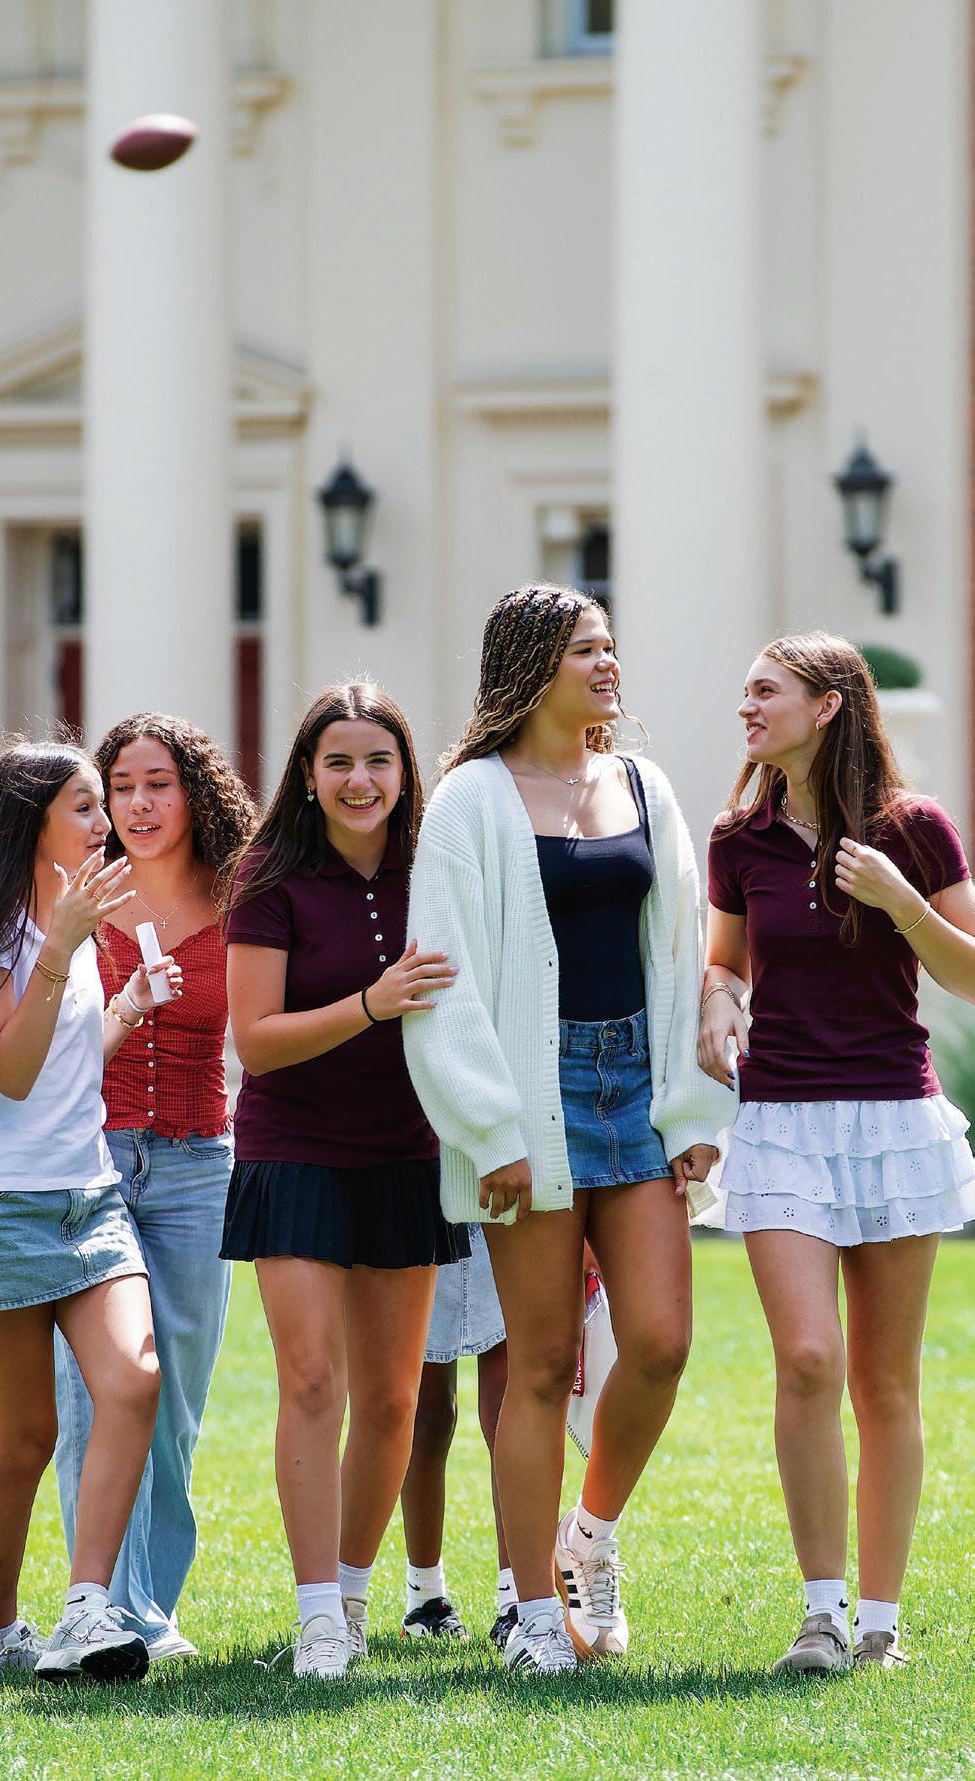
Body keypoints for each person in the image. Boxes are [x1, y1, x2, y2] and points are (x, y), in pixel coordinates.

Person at [405, 585, 734, 1676]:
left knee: (659, 1341)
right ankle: (537, 1620)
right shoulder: (468, 801)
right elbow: (442, 978)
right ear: (531, 664)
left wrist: (692, 1109)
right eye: (585, 649)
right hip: (528, 1099)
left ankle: (585, 1537)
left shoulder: (643, 786)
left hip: (635, 1092)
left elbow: (680, 950)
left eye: (609, 647)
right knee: (539, 1364)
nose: (607, 665)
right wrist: (487, 1127)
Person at [700, 632, 975, 1674]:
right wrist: (716, 1003)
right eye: (745, 690)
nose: (746, 707)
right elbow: (725, 962)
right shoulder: (738, 839)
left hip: (894, 1121)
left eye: (763, 691)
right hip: (781, 1121)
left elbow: (969, 974)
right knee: (808, 1358)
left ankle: (879, 1627)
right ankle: (820, 1615)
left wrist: (901, 903)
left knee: (885, 1384)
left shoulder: (915, 830)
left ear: (825, 707)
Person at [0, 740, 179, 1685]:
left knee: (134, 1381)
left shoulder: (70, 915)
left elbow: (62, 1064)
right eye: (87, 806)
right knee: (24, 1438)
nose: (107, 823)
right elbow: (13, 1074)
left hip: (87, 1197)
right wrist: (61, 946)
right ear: (31, 819)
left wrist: (126, 1008)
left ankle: (85, 1607)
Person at [221, 681, 468, 1680]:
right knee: (313, 1379)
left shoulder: (440, 868)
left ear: (405, 772)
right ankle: (316, 1612)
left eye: (377, 761)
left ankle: (356, 1598)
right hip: (293, 1150)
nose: (358, 780)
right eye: (338, 762)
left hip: (409, 1151)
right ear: (307, 774)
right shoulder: (268, 876)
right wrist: (371, 1002)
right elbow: (255, 1040)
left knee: (395, 1401)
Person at [53, 713, 255, 1660]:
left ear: (194, 793)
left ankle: (150, 1606)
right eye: (120, 787)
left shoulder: (240, 896)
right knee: (91, 1396)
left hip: (196, 1166)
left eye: (157, 784)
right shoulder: (76, 894)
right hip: (88, 1161)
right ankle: (99, 1607)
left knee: (173, 1401)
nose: (137, 804)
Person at [398, 1231, 515, 1646]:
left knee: (508, 1413)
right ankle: (425, 1596)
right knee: (428, 1415)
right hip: (428, 1206)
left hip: (506, 1212)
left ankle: (518, 1598)